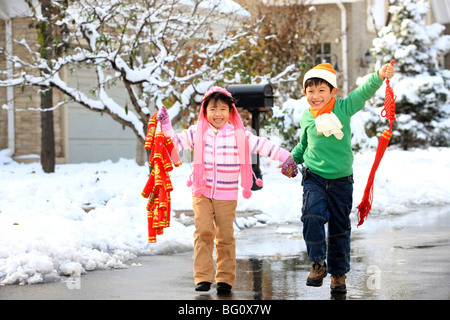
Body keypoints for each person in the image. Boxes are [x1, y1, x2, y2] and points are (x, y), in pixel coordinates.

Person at [157, 86, 297, 295]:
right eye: (212, 109)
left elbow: (264, 146)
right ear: (205, 111)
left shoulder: (240, 136)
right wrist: (166, 125)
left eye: (223, 109)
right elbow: (173, 144)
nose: (218, 114)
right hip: (201, 191)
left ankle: (224, 279)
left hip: (227, 194)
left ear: (230, 112)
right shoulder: (196, 133)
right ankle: (203, 278)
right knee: (203, 232)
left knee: (225, 237)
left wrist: (287, 156)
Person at [285, 62, 395, 294]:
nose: (315, 96)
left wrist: (378, 75)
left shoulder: (343, 108)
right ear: (305, 93)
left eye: (321, 90)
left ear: (333, 91)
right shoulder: (307, 117)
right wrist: (291, 160)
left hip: (341, 181)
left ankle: (338, 274)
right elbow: (304, 145)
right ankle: (318, 263)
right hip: (314, 177)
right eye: (310, 91)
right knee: (311, 215)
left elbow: (363, 91)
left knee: (339, 228)